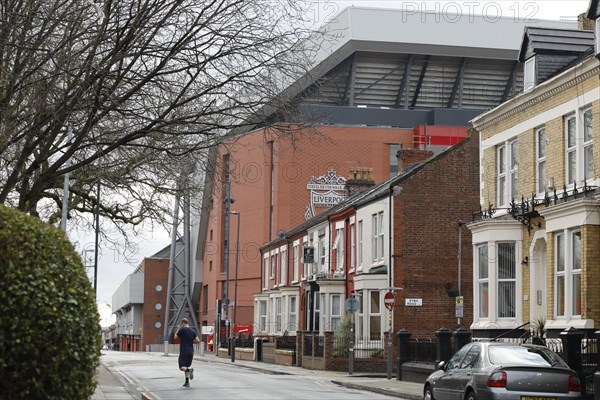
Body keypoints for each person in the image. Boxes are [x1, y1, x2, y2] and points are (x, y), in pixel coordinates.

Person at [174, 318, 200, 387]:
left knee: (181, 367)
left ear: (182, 323)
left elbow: (175, 337)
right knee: (186, 366)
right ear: (188, 323)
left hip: (184, 351)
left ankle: (189, 370)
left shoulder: (182, 330)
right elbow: (198, 340)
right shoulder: (193, 331)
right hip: (191, 351)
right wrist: (191, 341)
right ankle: (187, 382)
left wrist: (178, 328)